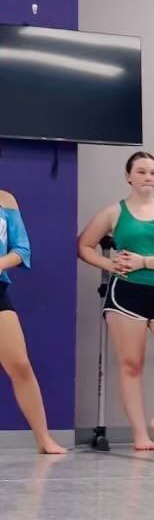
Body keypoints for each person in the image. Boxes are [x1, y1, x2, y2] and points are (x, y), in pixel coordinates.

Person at [77, 151, 154, 451]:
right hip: (126, 295)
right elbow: (84, 246)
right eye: (142, 172)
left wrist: (143, 261)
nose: (148, 177)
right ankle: (140, 435)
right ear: (128, 176)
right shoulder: (114, 212)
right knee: (132, 365)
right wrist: (110, 265)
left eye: (153, 172)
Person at [0, 189, 65, 455]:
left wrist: (0, 262)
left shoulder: (6, 200)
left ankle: (44, 438)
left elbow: (21, 249)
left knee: (20, 364)